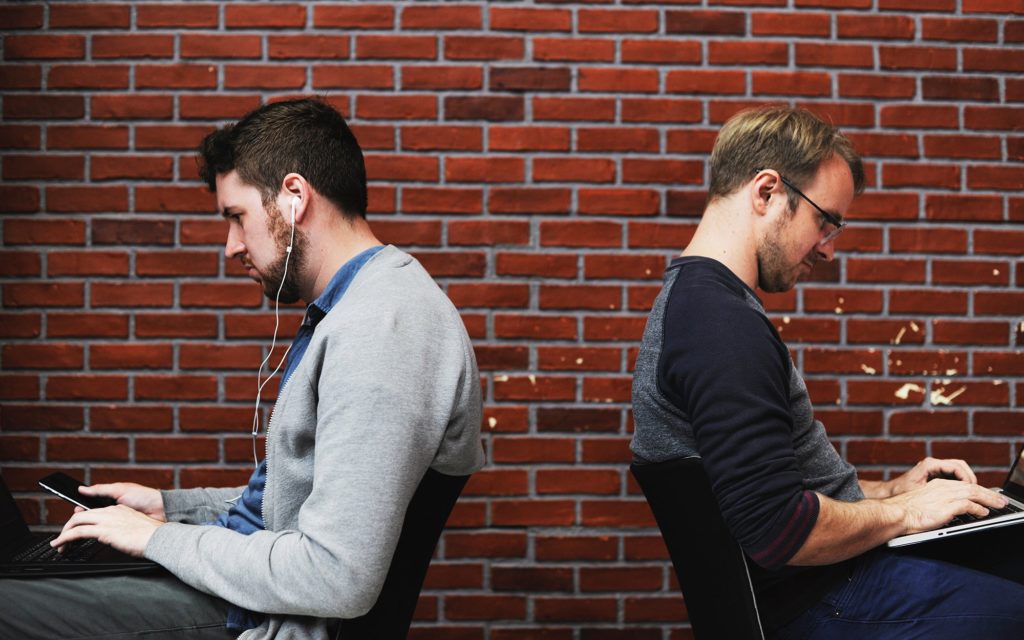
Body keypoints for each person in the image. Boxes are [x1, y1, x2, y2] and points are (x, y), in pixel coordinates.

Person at [0, 98, 484, 639]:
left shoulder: (383, 329)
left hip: (257, 621)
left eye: (237, 217)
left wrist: (153, 539)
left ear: (294, 197)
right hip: (240, 595)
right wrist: (169, 509)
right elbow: (299, 502)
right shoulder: (356, 307)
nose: (231, 247)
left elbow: (337, 575)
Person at [630, 105, 1023, 638]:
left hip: (824, 585)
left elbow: (771, 487)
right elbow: (780, 530)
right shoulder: (720, 327)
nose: (829, 248)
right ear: (767, 192)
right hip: (822, 600)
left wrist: (890, 493)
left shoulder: (700, 305)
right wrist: (908, 513)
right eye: (825, 220)